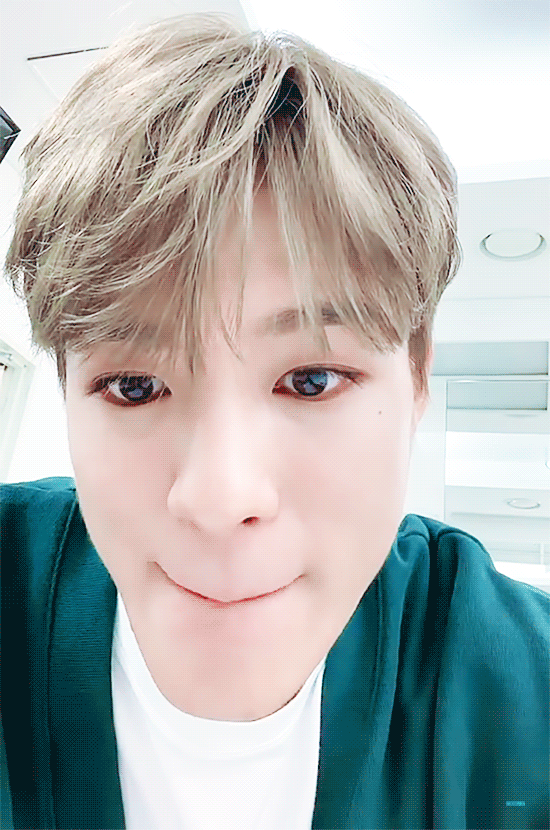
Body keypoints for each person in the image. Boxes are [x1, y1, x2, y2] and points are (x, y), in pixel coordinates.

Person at [1, 13, 548, 830]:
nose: (221, 498)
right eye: (135, 387)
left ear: (416, 377)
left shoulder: (519, 687)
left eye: (310, 380)